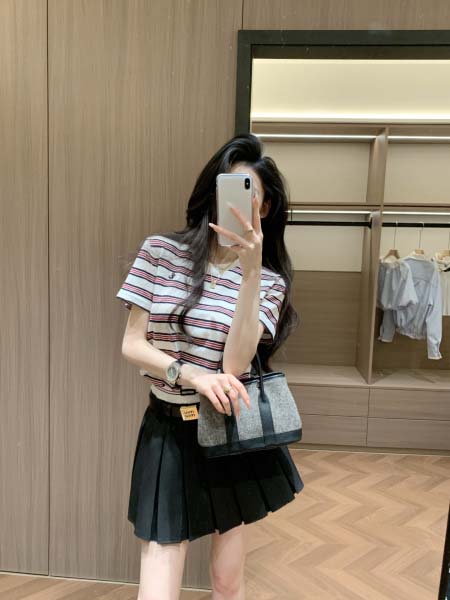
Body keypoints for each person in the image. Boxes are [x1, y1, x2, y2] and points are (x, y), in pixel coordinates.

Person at [116, 133, 304, 600]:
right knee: (158, 581)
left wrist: (251, 271)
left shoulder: (270, 281)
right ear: (213, 190)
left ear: (264, 207)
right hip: (168, 429)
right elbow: (132, 345)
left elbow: (235, 365)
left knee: (226, 579)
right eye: (228, 187)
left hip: (229, 429)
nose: (236, 203)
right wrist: (191, 374)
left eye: (251, 194)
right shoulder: (160, 252)